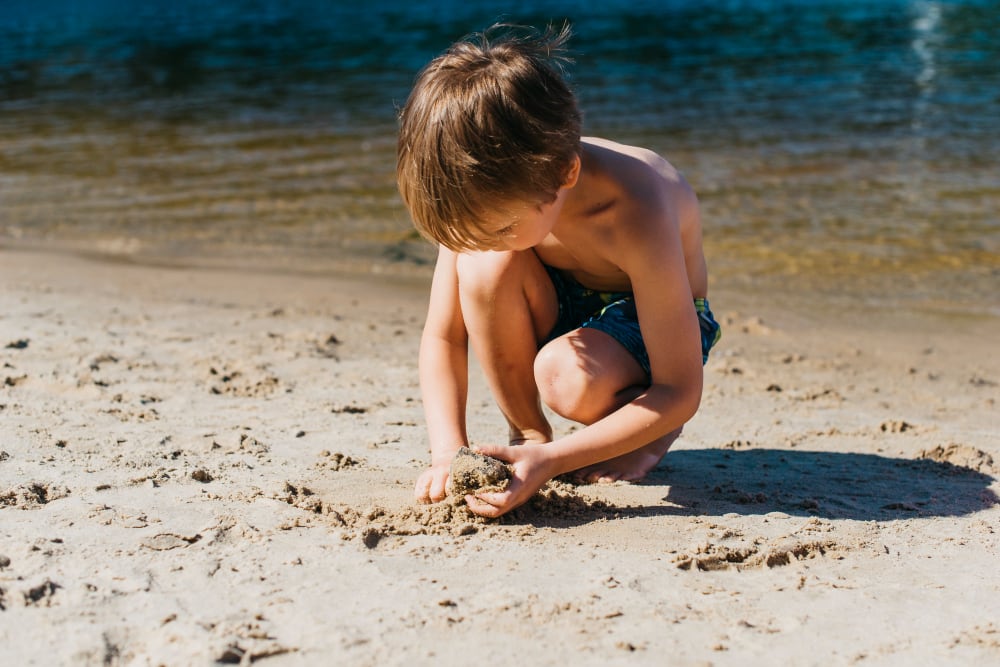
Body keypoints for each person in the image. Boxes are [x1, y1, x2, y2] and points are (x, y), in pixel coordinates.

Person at [396, 24, 721, 518]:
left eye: (496, 227)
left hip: (655, 320)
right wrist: (447, 452)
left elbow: (681, 389)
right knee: (482, 270)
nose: (477, 241)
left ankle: (648, 435)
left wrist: (553, 464)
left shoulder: (633, 207)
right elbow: (443, 338)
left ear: (565, 174)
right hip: (559, 295)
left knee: (564, 378)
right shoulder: (481, 192)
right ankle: (527, 433)